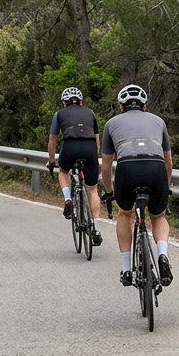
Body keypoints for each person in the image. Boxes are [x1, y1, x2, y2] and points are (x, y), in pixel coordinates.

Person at [100, 84, 174, 288]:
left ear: (121, 106)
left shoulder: (111, 123)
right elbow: (168, 162)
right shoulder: (158, 121)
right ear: (144, 105)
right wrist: (165, 187)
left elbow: (106, 167)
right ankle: (162, 255)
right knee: (158, 216)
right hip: (156, 167)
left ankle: (125, 269)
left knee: (125, 213)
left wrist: (108, 192)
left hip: (127, 168)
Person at [46, 86, 103, 246]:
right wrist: (92, 157)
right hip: (90, 148)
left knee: (63, 171)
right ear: (81, 101)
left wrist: (51, 161)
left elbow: (52, 140)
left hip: (70, 147)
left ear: (64, 103)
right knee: (92, 189)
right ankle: (96, 228)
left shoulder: (59, 114)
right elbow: (97, 141)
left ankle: (68, 198)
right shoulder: (90, 113)